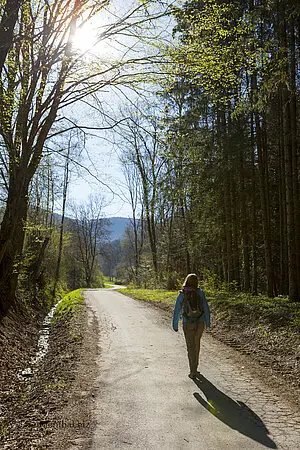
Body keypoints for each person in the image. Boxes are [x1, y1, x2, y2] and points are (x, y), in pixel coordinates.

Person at [172, 273, 210, 379]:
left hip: (188, 322)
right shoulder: (200, 293)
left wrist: (175, 325)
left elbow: (177, 310)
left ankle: (193, 371)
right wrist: (208, 322)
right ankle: (195, 368)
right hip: (200, 322)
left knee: (190, 347)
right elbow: (206, 308)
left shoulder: (182, 293)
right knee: (197, 344)